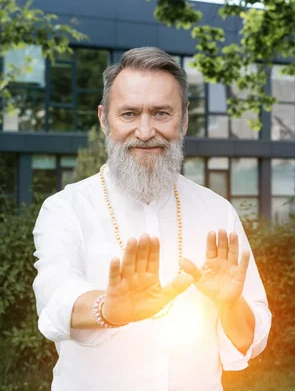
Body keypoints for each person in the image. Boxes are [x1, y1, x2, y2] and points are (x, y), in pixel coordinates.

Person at [32, 47, 271, 391]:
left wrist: (228, 304)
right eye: (129, 114)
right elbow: (56, 300)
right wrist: (109, 309)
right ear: (104, 119)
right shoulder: (65, 208)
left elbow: (252, 338)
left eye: (161, 113)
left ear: (184, 119)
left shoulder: (217, 212)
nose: (145, 131)